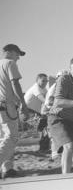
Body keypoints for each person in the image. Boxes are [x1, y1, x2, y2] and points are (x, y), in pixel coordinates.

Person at [0, 44, 29, 178]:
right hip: (7, 105)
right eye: (18, 54)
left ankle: (7, 168)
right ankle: (6, 167)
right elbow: (15, 84)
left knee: (3, 138)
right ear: (10, 52)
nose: (18, 58)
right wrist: (23, 103)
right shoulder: (10, 63)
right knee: (11, 137)